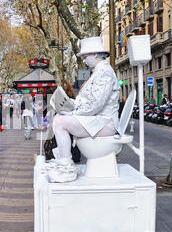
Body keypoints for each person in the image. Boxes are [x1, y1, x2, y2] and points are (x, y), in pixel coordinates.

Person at [48, 36, 119, 182]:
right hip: (99, 120)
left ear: (95, 54)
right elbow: (89, 101)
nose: (84, 60)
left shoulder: (104, 72)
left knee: (59, 122)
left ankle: (66, 163)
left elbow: (96, 104)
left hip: (105, 123)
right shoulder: (98, 71)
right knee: (59, 119)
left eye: (85, 56)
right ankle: (65, 161)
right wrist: (70, 104)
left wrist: (72, 112)